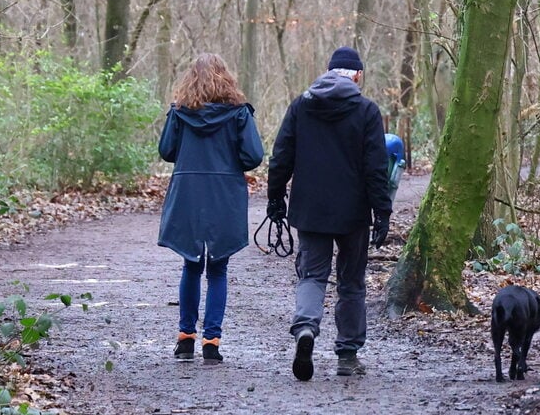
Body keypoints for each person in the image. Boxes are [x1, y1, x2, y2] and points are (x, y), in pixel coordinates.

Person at [267, 46, 392, 380]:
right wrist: (382, 212)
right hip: (353, 213)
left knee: (312, 275)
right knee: (351, 282)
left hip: (310, 210)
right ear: (357, 76)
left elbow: (281, 156)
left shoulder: (301, 106)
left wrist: (275, 198)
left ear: (327, 71)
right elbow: (376, 167)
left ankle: (306, 328)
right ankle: (347, 355)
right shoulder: (367, 110)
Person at [158, 53, 264, 364]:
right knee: (218, 267)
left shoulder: (179, 112)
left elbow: (166, 151)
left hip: (188, 192)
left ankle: (185, 337)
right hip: (224, 194)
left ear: (190, 79)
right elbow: (254, 156)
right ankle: (212, 341)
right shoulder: (239, 114)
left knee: (191, 263)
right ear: (226, 78)